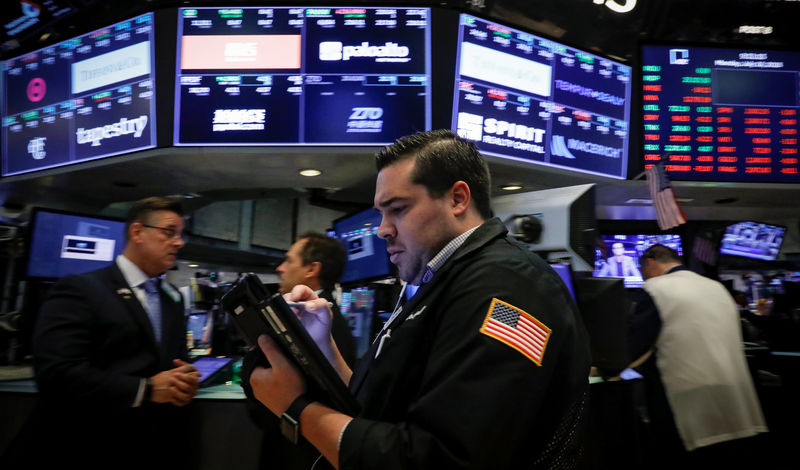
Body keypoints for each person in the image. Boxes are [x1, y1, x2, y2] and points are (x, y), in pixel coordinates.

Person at [246, 129, 591, 469]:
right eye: (382, 213)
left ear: (457, 199)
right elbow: (382, 407)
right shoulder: (442, 279)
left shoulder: (508, 290)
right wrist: (325, 351)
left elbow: (439, 458)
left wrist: (295, 407)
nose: (383, 229)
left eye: (397, 209)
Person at [16, 197, 201, 468]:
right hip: (83, 444)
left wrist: (185, 380)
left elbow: (172, 364)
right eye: (169, 232)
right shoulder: (81, 289)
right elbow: (56, 374)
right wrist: (146, 389)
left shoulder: (170, 299)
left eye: (180, 235)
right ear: (137, 232)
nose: (179, 242)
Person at [629, 244, 768, 468]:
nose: (642, 275)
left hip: (687, 402)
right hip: (734, 398)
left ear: (651, 262)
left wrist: (606, 362)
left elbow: (635, 347)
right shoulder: (716, 287)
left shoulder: (656, 288)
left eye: (641, 268)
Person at [244, 232, 358, 470]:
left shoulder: (308, 322)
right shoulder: (331, 317)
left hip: (299, 454)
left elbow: (268, 401)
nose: (280, 268)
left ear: (311, 269)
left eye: (289, 260)